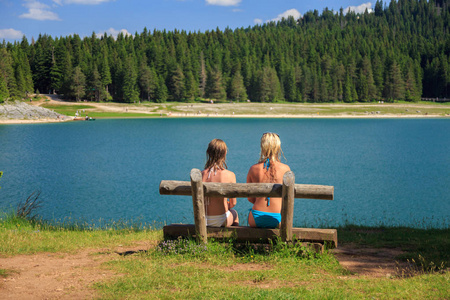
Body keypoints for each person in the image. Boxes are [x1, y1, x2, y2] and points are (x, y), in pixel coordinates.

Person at [247, 132, 291, 228]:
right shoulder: (285, 169)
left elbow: (250, 198)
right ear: (278, 147)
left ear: (262, 147)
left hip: (256, 216)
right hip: (277, 218)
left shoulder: (253, 169)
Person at [201, 139, 239, 227]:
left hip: (203, 219)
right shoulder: (230, 175)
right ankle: (233, 239)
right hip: (221, 220)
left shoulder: (201, 174)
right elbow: (233, 203)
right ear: (224, 153)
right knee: (234, 214)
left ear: (208, 153)